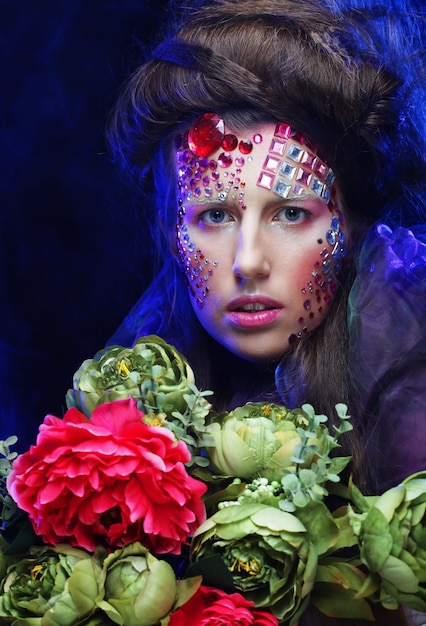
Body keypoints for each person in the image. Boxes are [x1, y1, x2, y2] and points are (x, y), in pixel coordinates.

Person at [106, 0, 426, 623]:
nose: (247, 261)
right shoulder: (143, 396)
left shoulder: (412, 410)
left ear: (353, 224)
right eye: (215, 215)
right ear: (172, 229)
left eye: (290, 213)